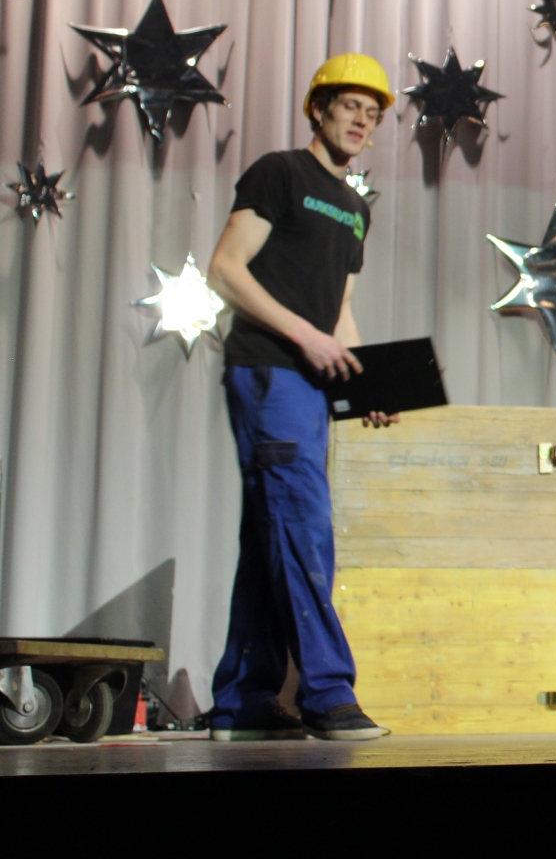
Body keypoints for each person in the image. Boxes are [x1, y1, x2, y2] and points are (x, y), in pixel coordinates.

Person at [204, 53, 399, 742]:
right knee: (302, 523)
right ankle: (327, 692)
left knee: (272, 534)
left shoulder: (355, 210)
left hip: (311, 386)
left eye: (372, 114)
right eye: (350, 107)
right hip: (269, 371)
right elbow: (225, 269)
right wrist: (304, 337)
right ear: (319, 109)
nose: (362, 121)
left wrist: (366, 381)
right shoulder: (280, 173)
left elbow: (339, 310)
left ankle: (243, 702)